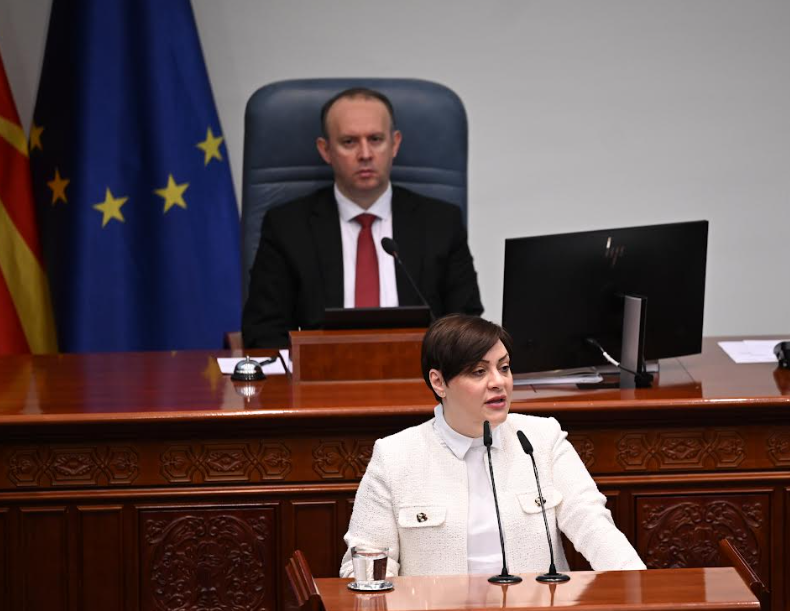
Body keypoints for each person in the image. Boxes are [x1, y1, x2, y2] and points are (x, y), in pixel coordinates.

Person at [338, 314, 646, 578]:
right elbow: (363, 561)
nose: (499, 382)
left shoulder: (541, 439)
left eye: (504, 367)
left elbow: (593, 526)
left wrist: (640, 589)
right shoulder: (396, 456)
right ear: (439, 382)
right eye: (479, 371)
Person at [242, 87, 484, 348]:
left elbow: (467, 324)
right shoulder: (287, 227)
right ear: (325, 150)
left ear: (395, 144)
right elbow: (263, 331)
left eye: (376, 139)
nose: (365, 154)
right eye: (349, 142)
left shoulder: (441, 223)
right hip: (322, 370)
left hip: (419, 368)